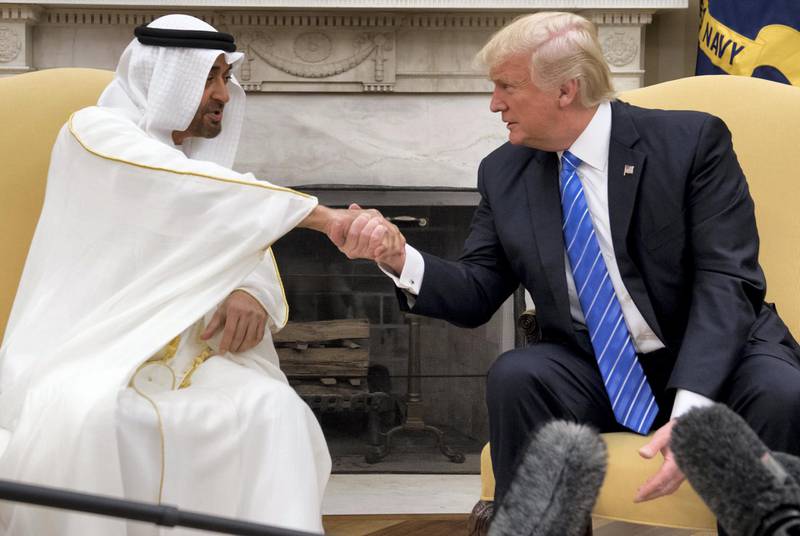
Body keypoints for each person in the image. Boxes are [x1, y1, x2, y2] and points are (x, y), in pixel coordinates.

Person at [338, 10, 800, 527]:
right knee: (518, 375)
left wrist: (693, 411)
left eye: (507, 86)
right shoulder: (504, 171)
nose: (495, 104)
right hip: (600, 369)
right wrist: (398, 257)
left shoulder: (691, 143)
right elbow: (476, 291)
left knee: (782, 394)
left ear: (566, 90)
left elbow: (727, 280)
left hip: (720, 354)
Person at [0, 14, 364, 535]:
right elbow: (189, 192)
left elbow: (231, 223)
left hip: (190, 356)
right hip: (92, 350)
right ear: (163, 79)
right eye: (210, 78)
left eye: (226, 78)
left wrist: (249, 288)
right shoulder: (94, 132)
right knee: (84, 421)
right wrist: (325, 218)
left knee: (273, 410)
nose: (224, 94)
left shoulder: (204, 180)